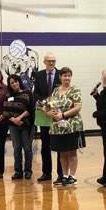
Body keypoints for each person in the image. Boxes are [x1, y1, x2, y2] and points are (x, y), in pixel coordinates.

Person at [48, 67, 84, 187]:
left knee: (71, 151)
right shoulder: (55, 91)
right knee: (62, 152)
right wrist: (51, 113)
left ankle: (72, 176)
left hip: (71, 125)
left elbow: (78, 107)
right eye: (65, 76)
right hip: (57, 127)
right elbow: (50, 105)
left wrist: (63, 115)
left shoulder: (75, 90)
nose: (67, 78)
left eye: (69, 75)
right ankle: (64, 175)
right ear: (60, 77)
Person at [33, 52, 63, 183]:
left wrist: (55, 105)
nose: (51, 63)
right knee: (45, 145)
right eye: (49, 61)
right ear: (44, 62)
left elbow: (64, 92)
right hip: (44, 115)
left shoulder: (61, 74)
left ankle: (61, 174)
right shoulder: (38, 75)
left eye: (54, 61)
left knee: (59, 145)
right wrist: (46, 105)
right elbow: (36, 94)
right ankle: (46, 173)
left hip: (58, 115)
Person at [4, 74, 35, 180]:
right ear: (9, 85)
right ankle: (18, 171)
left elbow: (31, 109)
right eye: (12, 83)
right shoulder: (8, 95)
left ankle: (28, 171)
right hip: (13, 126)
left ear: (19, 81)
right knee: (16, 148)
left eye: (16, 81)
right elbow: (6, 111)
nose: (14, 84)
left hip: (26, 125)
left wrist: (20, 118)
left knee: (27, 148)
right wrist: (14, 120)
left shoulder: (28, 92)